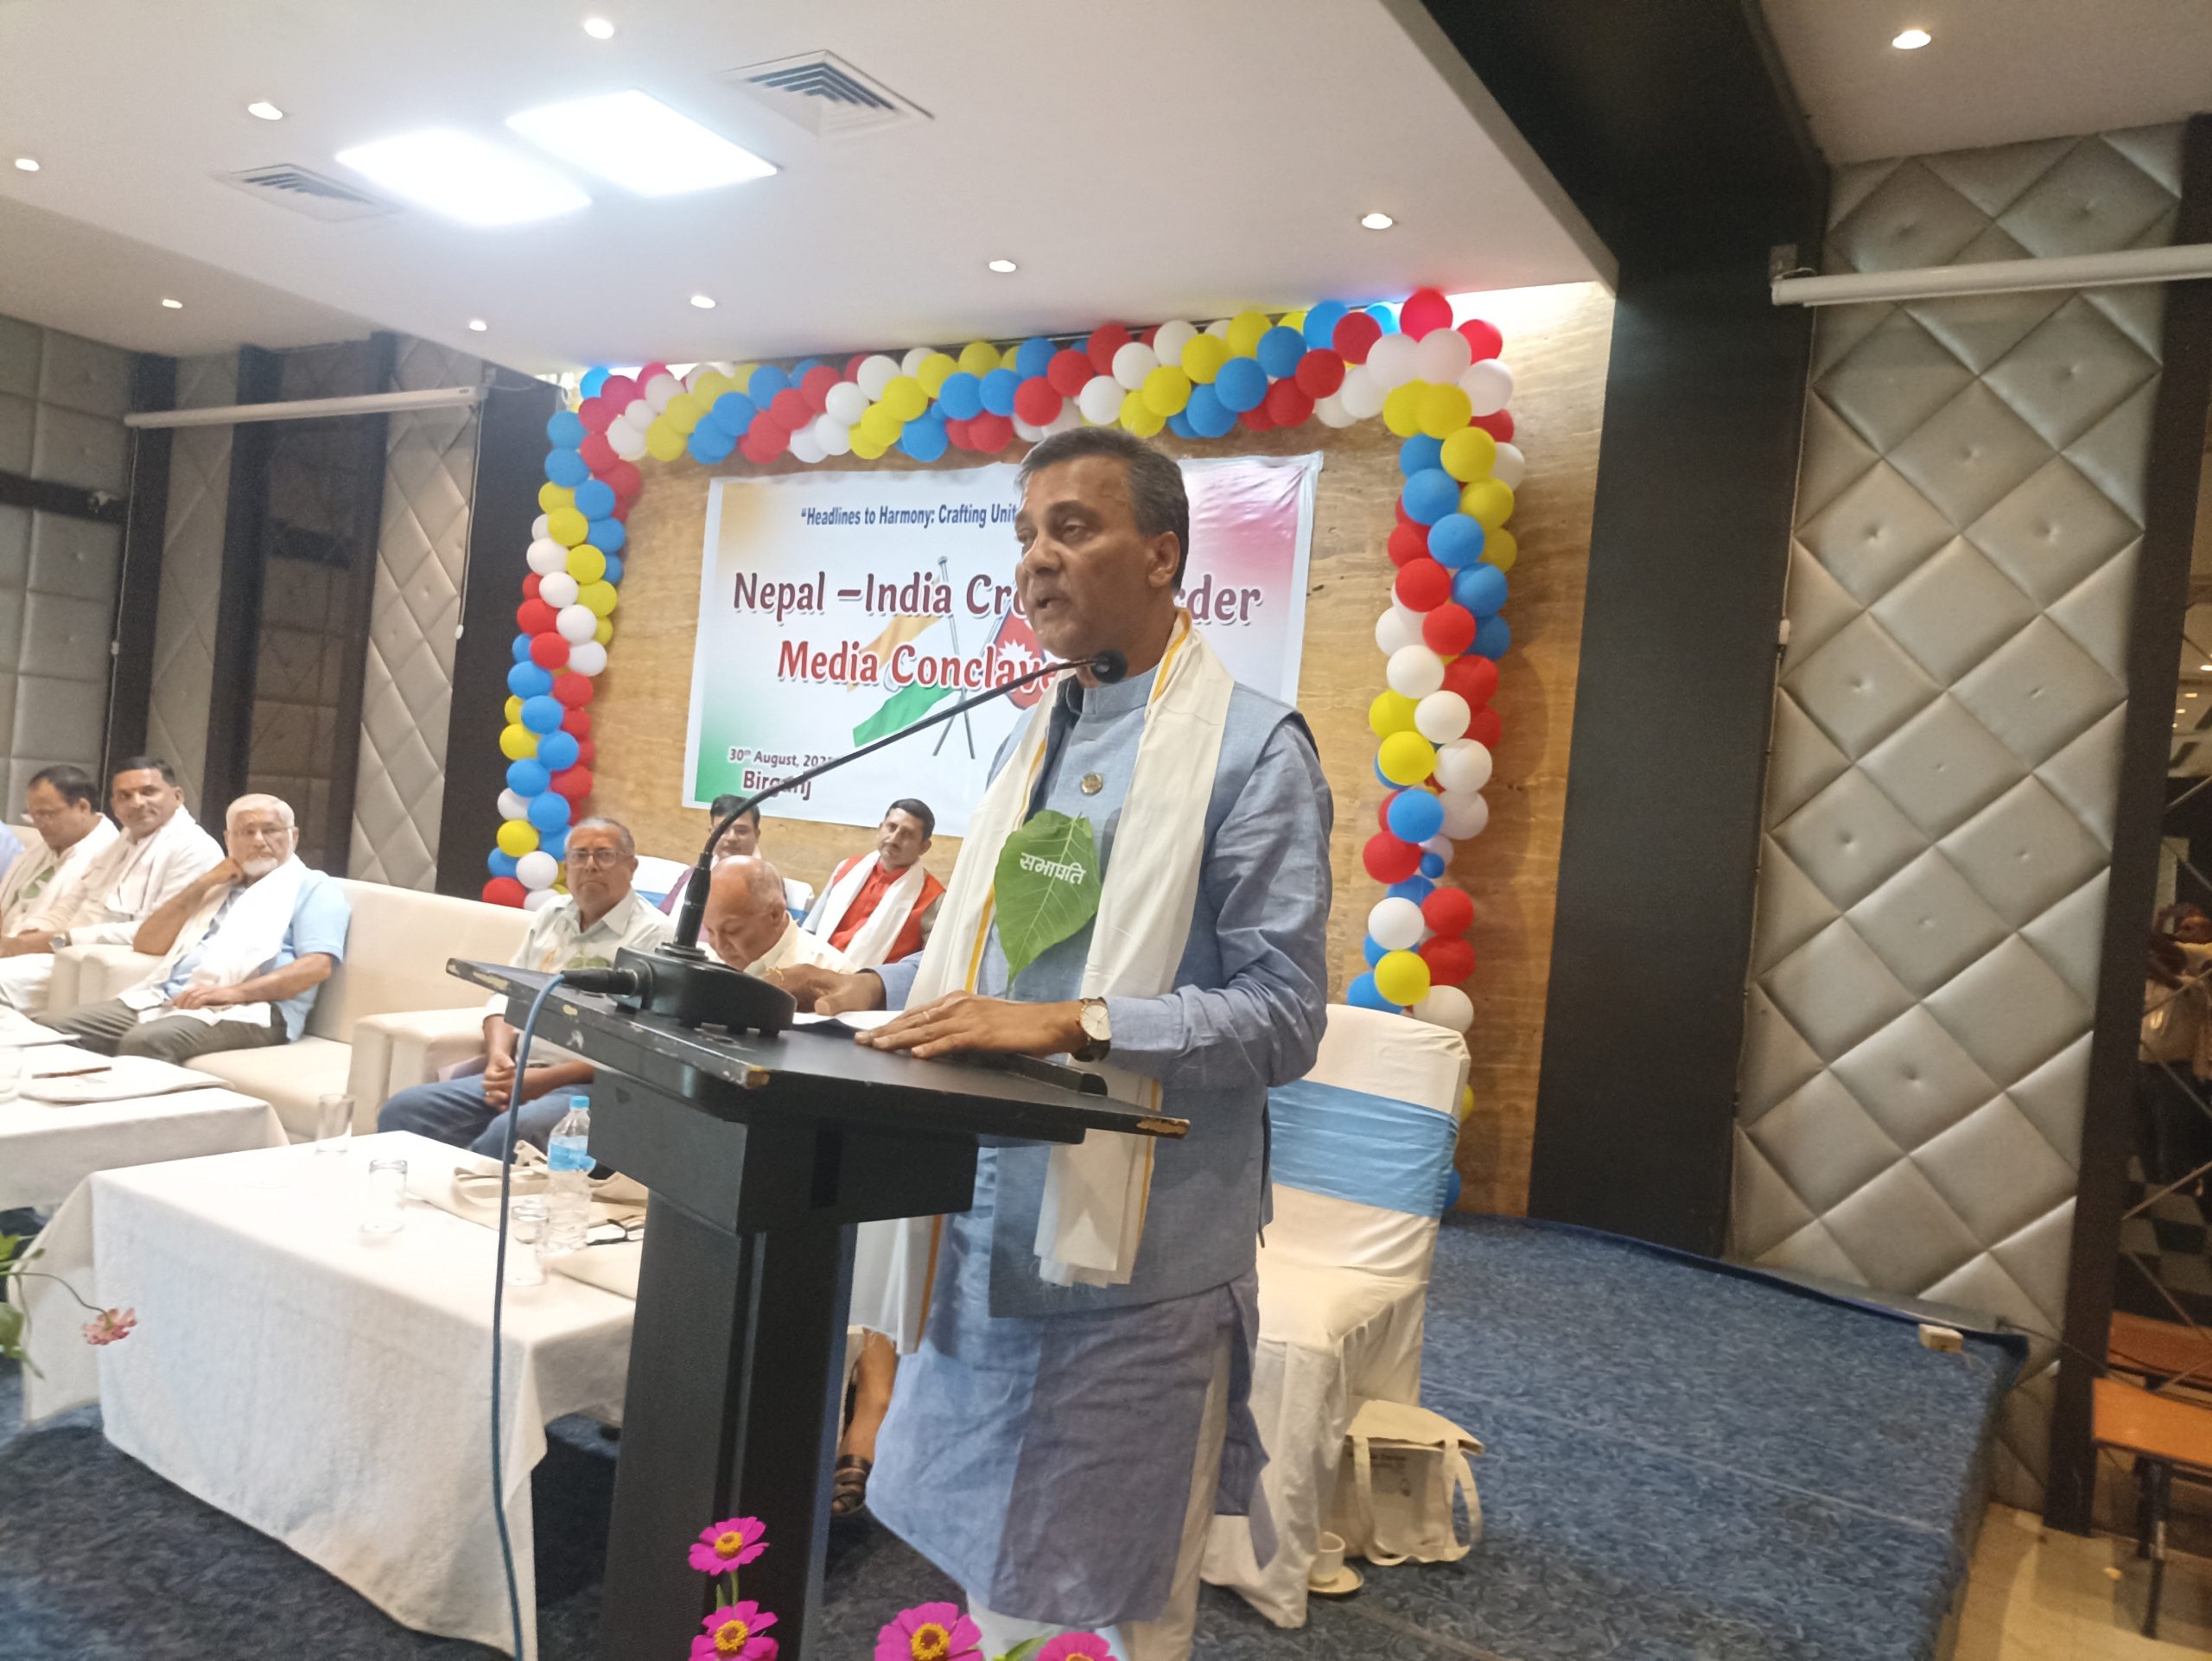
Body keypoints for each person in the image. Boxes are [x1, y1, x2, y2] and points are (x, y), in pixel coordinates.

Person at [782, 427, 1332, 1660]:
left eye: (1072, 529)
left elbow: (1285, 1012)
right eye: (1026, 533)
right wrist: (866, 982)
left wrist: (1085, 1021)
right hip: (982, 1220)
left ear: (1163, 554)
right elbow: (996, 972)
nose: (1036, 558)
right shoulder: (1030, 736)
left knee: (1113, 1599)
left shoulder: (1253, 749)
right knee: (994, 1579)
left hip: (1139, 1261)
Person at [377, 817, 671, 1157]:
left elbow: (641, 1048)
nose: (590, 866)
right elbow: (506, 993)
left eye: (604, 855)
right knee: (405, 1110)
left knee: (511, 1132)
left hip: (595, 1087)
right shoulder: (551, 915)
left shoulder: (654, 935)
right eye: (579, 855)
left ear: (631, 867)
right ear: (567, 867)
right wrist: (499, 1058)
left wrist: (548, 1080)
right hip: (524, 1073)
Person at [48, 794, 351, 1065]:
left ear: (293, 837)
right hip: (165, 998)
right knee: (49, 1030)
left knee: (147, 1041)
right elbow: (149, 943)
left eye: (271, 830)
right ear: (229, 840)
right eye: (247, 832)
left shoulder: (312, 887)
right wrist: (205, 883)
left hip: (255, 1010)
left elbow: (316, 966)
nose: (259, 840)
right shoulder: (220, 887)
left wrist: (232, 993)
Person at [0, 757, 219, 1014]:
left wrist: (58, 940)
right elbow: (74, 902)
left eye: (148, 792)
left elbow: (159, 933)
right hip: (65, 953)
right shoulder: (124, 841)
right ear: (115, 805)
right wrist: (27, 937)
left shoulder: (194, 849)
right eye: (125, 796)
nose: (137, 802)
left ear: (177, 796)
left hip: (99, 959)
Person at [803, 799, 945, 964]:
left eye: (907, 834)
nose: (894, 839)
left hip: (871, 980)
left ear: (924, 847)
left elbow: (926, 965)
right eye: (891, 827)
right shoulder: (847, 868)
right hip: (813, 966)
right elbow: (810, 930)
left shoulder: (933, 899)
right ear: (880, 827)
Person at [1, 765, 119, 958]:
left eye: (46, 814)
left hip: (48, 954)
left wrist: (16, 944)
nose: (38, 823)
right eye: (33, 815)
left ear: (83, 807)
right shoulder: (44, 849)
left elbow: (74, 929)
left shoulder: (108, 856)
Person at [658, 795, 814, 921]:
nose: (731, 838)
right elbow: (661, 919)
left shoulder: (767, 880)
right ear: (711, 833)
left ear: (756, 835)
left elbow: (768, 933)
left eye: (741, 831)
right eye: (722, 830)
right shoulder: (693, 873)